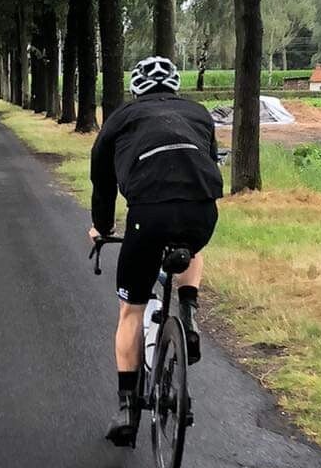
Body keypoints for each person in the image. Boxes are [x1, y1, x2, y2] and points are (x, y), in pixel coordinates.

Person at [88, 55, 224, 446]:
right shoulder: (198, 113)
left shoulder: (121, 117)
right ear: (174, 86)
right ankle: (189, 311)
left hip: (148, 214)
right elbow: (209, 159)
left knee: (130, 310)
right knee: (191, 248)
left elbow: (102, 182)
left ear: (136, 88)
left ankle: (127, 409)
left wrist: (102, 228)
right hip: (202, 211)